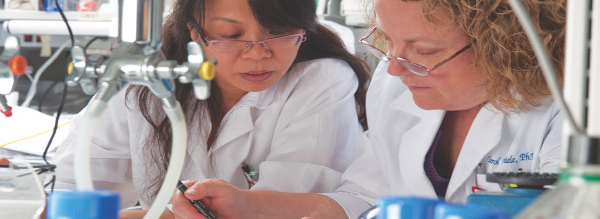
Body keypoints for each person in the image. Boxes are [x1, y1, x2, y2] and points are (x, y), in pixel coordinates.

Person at [171, 0, 566, 218]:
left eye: (424, 51)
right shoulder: (395, 85)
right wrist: (246, 206)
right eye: (389, 42)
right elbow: (363, 199)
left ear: (508, 48)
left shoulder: (572, 112)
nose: (393, 67)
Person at [50, 0, 370, 218]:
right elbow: (75, 187)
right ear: (194, 30)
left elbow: (288, 205)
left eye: (280, 34)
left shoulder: (320, 80)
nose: (257, 55)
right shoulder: (151, 80)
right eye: (231, 35)